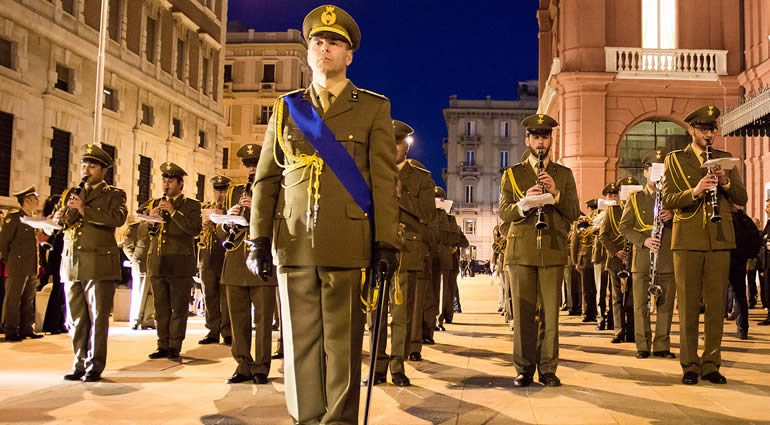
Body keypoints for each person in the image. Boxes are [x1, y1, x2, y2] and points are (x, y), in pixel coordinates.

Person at [247, 5, 400, 424]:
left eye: (334, 43)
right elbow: (266, 179)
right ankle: (306, 417)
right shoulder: (286, 108)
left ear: (348, 55)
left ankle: (338, 420)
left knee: (342, 342)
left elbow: (384, 182)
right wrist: (258, 238)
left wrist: (386, 241)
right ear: (308, 51)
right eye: (317, 42)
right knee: (299, 343)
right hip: (293, 241)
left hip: (348, 242)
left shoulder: (371, 109)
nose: (324, 48)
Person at [662, 105, 747, 385]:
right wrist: (696, 190)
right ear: (692, 130)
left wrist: (724, 181)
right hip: (687, 240)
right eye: (704, 129)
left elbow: (742, 197)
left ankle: (711, 363)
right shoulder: (675, 160)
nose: (709, 134)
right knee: (687, 305)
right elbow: (669, 200)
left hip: (720, 238)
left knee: (716, 306)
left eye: (713, 129)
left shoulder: (724, 159)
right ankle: (689, 364)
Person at [499, 113, 580, 387]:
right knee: (523, 314)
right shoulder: (513, 174)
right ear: (528, 140)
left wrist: (555, 194)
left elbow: (572, 212)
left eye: (545, 137)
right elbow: (504, 212)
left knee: (550, 313)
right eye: (536, 137)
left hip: (553, 250)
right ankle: (523, 368)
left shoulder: (564, 175)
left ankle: (547, 369)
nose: (541, 142)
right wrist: (524, 203)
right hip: (521, 250)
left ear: (551, 140)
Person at [366, 121, 434, 386]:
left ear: (406, 146)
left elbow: (428, 214)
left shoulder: (421, 178)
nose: (392, 148)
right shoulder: (371, 172)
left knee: (401, 313)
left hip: (406, 249)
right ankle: (377, 368)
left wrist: (401, 194)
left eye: (397, 143)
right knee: (376, 314)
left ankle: (397, 368)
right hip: (375, 248)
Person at [56, 144, 127, 382]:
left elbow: (117, 218)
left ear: (103, 170)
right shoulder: (72, 193)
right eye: (84, 165)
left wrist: (85, 210)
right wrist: (60, 216)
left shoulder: (113, 194)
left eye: (92, 166)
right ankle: (78, 363)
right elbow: (64, 223)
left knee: (97, 318)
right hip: (72, 263)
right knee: (76, 319)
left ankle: (95, 365)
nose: (86, 169)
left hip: (98, 264)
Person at [220, 145, 276, 384]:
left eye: (255, 163)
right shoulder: (234, 191)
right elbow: (221, 223)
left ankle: (261, 366)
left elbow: (279, 222)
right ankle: (242, 364)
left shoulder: (273, 189)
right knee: (238, 318)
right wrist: (229, 219)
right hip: (235, 261)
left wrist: (256, 210)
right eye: (248, 165)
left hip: (261, 261)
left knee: (263, 320)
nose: (252, 168)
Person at [618, 149, 676, 359]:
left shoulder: (672, 200)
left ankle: (662, 345)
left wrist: (674, 216)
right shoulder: (635, 198)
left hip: (667, 258)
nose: (659, 175)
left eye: (663, 171)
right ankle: (642, 345)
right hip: (642, 259)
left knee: (666, 305)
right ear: (646, 173)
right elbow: (624, 227)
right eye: (655, 170)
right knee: (640, 304)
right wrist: (643, 240)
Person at [143, 162, 203, 360]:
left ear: (180, 183)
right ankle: (162, 344)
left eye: (170, 181)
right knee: (161, 307)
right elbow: (143, 233)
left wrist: (174, 213)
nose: (166, 184)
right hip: (158, 262)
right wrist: (151, 222)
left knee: (178, 307)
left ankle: (174, 345)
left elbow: (193, 230)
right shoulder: (154, 204)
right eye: (164, 180)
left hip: (180, 264)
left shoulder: (191, 205)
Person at [0, 186, 43, 341]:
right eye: (35, 198)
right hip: (17, 265)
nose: (38, 200)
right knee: (13, 298)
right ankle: (11, 330)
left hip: (31, 265)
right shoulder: (14, 217)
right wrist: (10, 259)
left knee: (28, 299)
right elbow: (4, 243)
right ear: (27, 200)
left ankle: (26, 328)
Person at [600, 177, 639, 344]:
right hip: (616, 260)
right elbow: (603, 235)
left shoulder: (637, 208)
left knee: (632, 298)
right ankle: (618, 330)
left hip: (634, 259)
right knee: (616, 298)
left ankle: (631, 332)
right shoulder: (612, 210)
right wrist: (616, 252)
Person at [197, 175, 231, 346]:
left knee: (226, 297)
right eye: (217, 190)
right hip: (207, 257)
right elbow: (194, 232)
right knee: (209, 295)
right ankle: (212, 330)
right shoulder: (205, 208)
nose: (220, 194)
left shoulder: (231, 209)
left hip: (225, 255)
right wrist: (202, 224)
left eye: (223, 190)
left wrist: (223, 217)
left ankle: (227, 331)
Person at [728, 205, 760, 339]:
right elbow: (756, 241)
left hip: (725, 259)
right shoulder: (746, 221)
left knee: (717, 296)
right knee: (740, 296)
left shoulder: (726, 220)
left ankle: (712, 332)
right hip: (740, 262)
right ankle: (742, 330)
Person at [41, 195, 68, 334]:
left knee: (62, 293)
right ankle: (51, 324)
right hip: (56, 260)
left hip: (63, 259)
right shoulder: (52, 219)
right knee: (56, 292)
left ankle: (60, 322)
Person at [123, 214, 154, 330]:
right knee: (139, 292)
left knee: (151, 294)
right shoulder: (135, 227)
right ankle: (136, 320)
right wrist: (135, 259)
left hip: (154, 263)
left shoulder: (159, 227)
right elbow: (127, 246)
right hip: (141, 263)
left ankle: (148, 320)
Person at [571, 205, 597, 323]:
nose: (594, 212)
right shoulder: (582, 222)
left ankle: (595, 311)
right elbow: (575, 243)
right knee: (586, 289)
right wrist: (575, 261)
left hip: (596, 258)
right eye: (593, 210)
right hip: (585, 259)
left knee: (596, 288)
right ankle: (587, 312)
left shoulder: (598, 221)